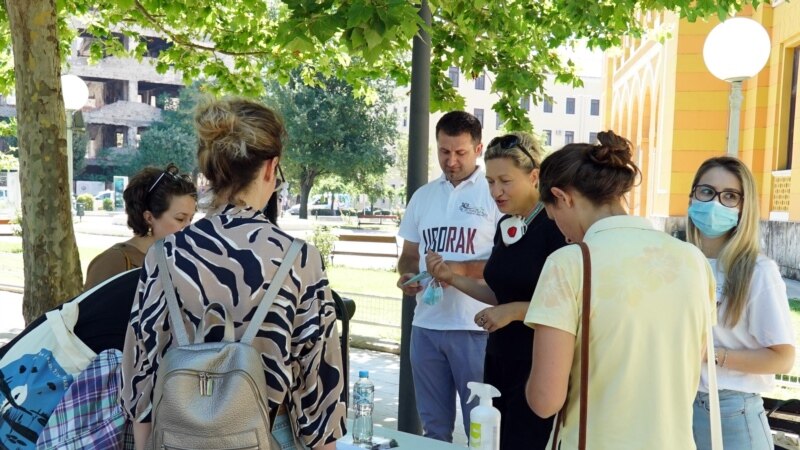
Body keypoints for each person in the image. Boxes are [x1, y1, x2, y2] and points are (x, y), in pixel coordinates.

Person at [120, 97, 346, 450]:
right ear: (271, 168)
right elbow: (317, 383)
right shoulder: (299, 259)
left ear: (211, 172)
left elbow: (141, 369)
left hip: (179, 435)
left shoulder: (164, 255)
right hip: (268, 433)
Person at [524, 131, 715, 449]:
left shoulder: (570, 263)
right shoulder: (693, 261)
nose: (560, 229)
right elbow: (692, 358)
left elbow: (545, 400)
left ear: (564, 197)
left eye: (553, 214)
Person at [425, 131, 565, 449]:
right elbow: (499, 295)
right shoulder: (507, 226)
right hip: (500, 360)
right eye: (490, 182)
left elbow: (566, 307)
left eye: (505, 181)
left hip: (539, 365)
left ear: (534, 177)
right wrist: (452, 277)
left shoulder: (556, 227)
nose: (496, 191)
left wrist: (513, 312)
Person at [396, 110, 501, 442]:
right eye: (444, 151)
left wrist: (456, 271)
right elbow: (410, 254)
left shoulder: (495, 195)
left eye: (460, 152)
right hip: (426, 327)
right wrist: (408, 276)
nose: (451, 160)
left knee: (481, 429)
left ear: (478, 149)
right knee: (434, 430)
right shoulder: (423, 197)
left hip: (476, 327)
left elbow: (507, 265)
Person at [687, 156, 795, 450]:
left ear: (743, 207)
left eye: (730, 196)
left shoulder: (757, 271)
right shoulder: (679, 261)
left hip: (732, 411)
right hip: (680, 405)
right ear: (692, 195)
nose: (715, 204)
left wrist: (712, 354)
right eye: (706, 191)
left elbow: (783, 357)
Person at [84, 164, 197, 290]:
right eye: (180, 219)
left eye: (191, 219)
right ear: (149, 217)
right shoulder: (112, 262)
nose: (188, 227)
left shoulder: (180, 259)